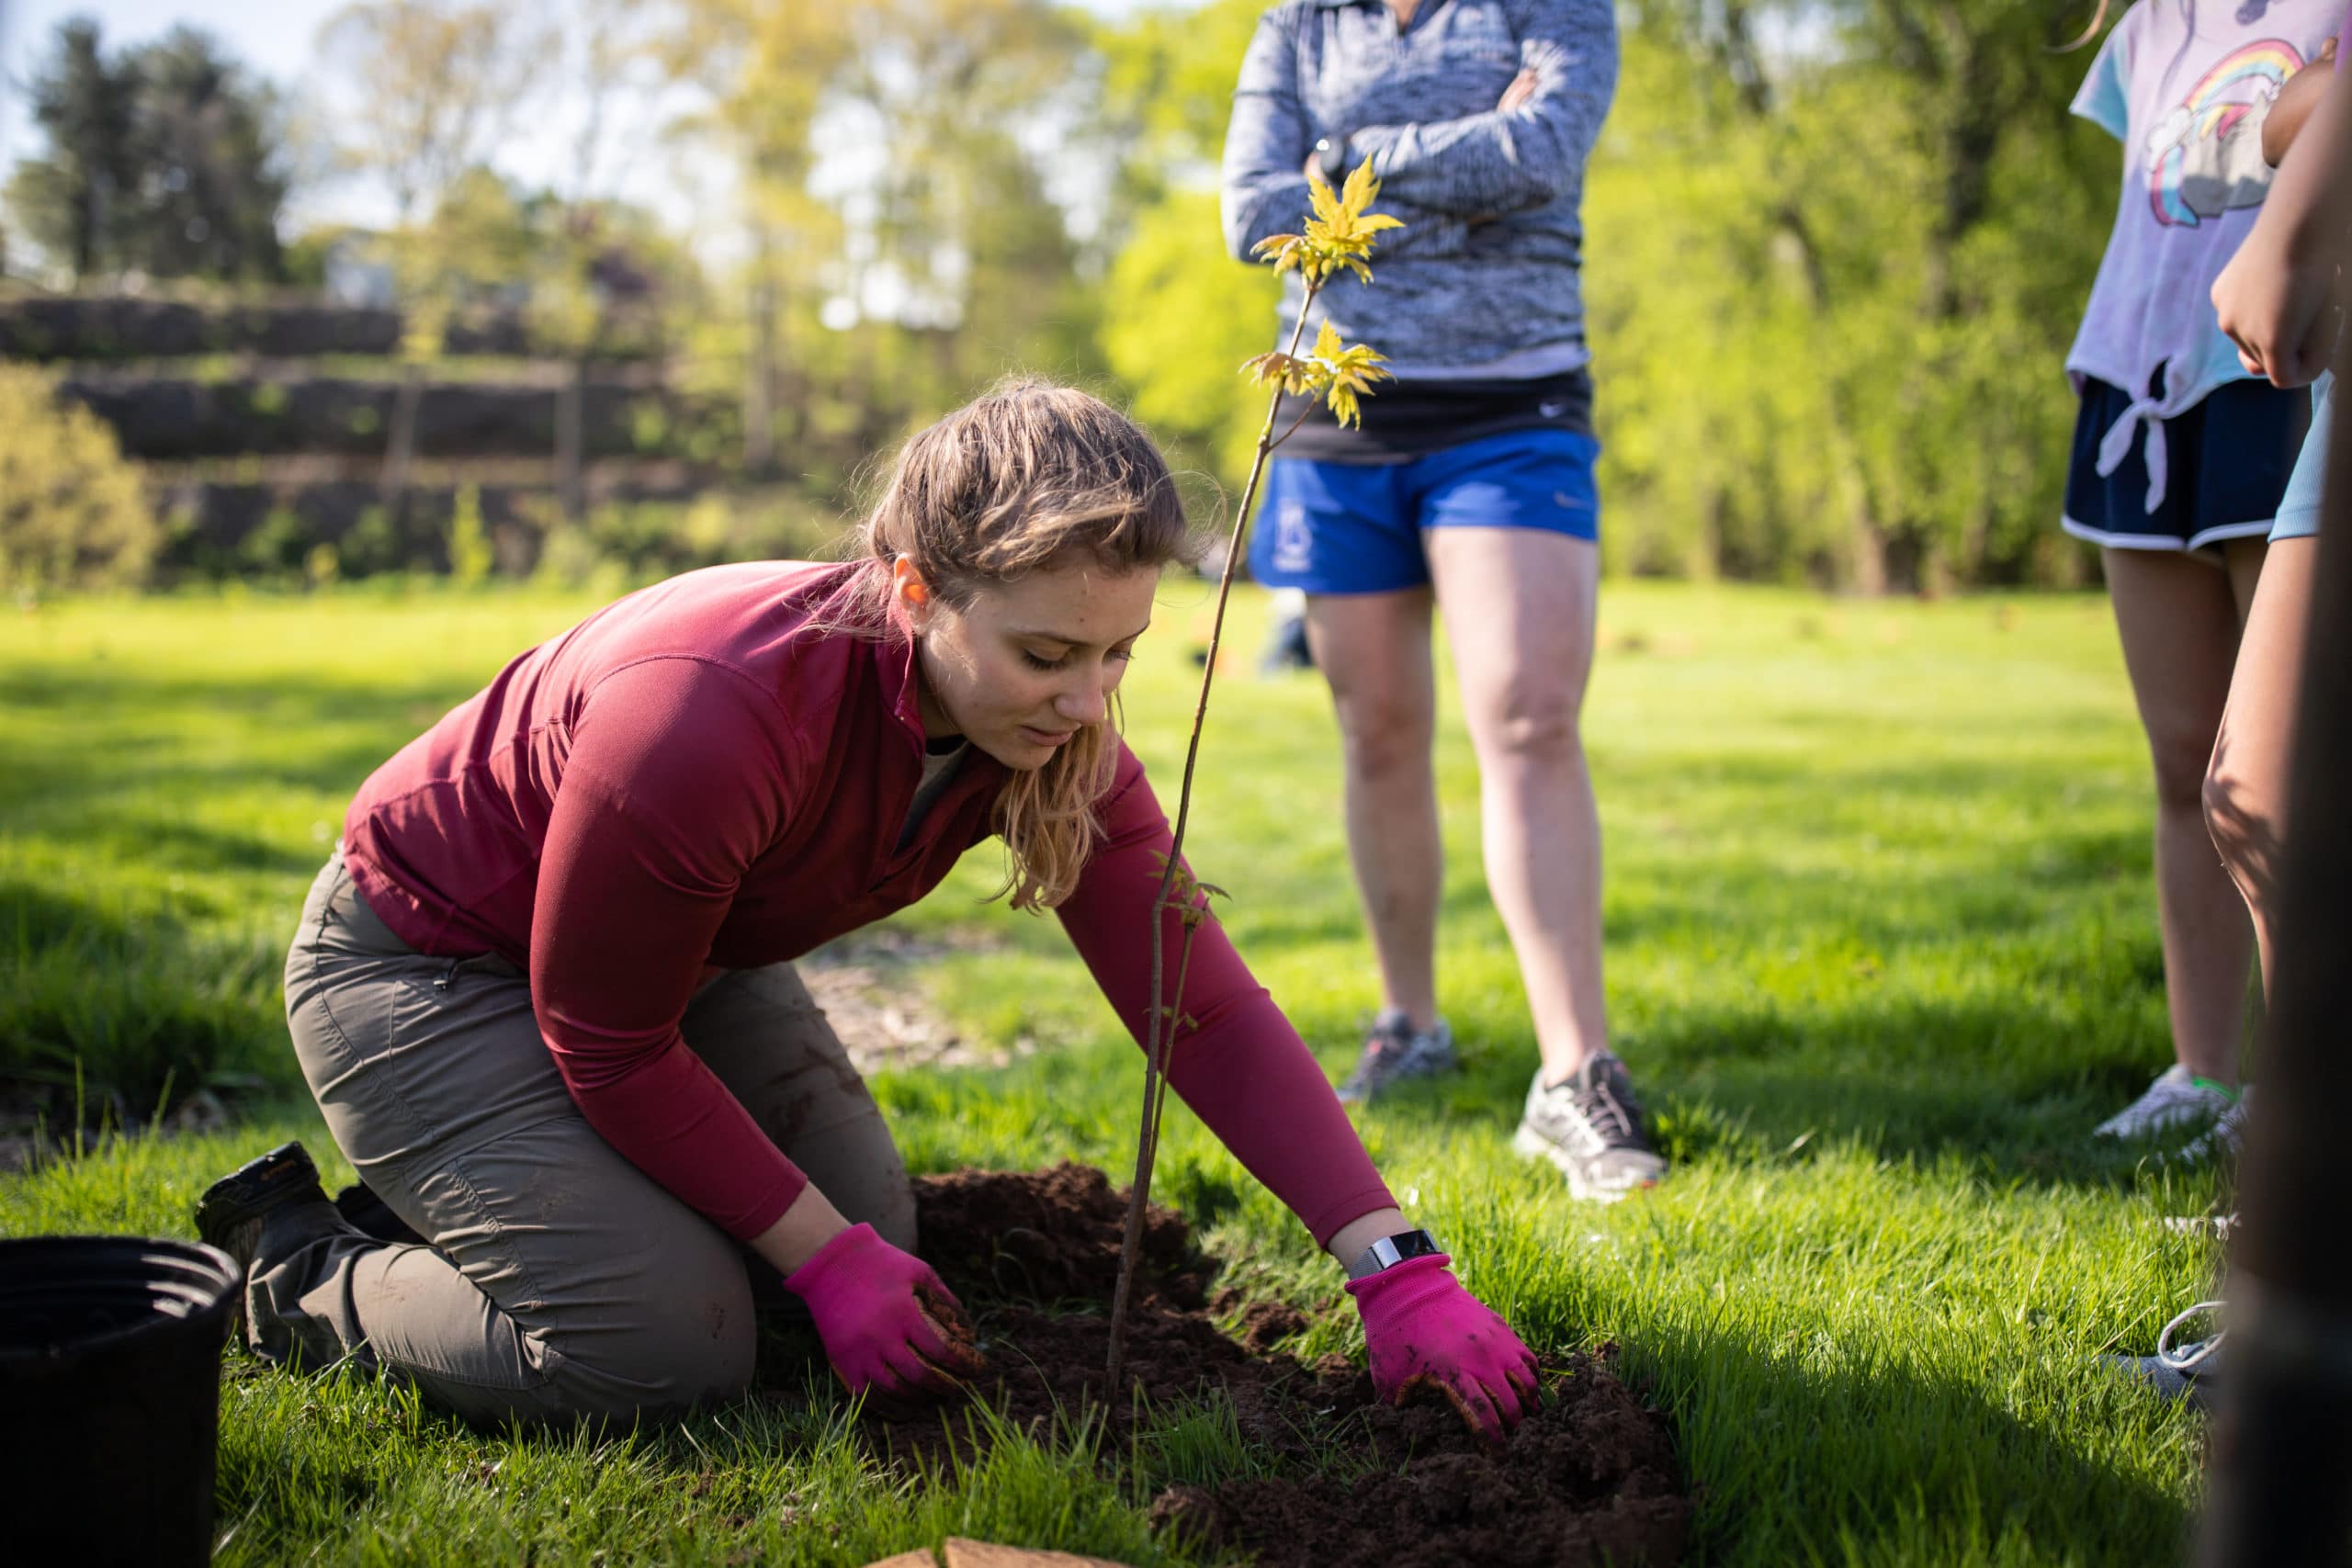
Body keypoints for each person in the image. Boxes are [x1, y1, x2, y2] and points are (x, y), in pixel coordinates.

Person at [194, 383, 1540, 1438]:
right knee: (671, 1342)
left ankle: (515, 1207)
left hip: (676, 964)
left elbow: (1195, 998)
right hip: (429, 969)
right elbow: (602, 1037)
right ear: (914, 590)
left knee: (873, 1228)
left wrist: (1391, 1259)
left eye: (1121, 651)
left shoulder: (1049, 731)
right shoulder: (709, 709)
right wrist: (815, 1264)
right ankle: (299, 1266)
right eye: (1048, 653)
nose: (1090, 701)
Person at [1219, 0, 1663, 1201]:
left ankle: (1576, 1070)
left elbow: (1543, 153)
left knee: (1528, 716)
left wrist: (1350, 161)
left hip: (1510, 411)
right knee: (1375, 729)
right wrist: (1454, 153)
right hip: (1334, 413)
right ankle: (1409, 1021)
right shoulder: (1300, 25)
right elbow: (1254, 211)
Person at [2061, 0, 2341, 1151]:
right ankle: (2201, 1073)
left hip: (2264, 389)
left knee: (2281, 768)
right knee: (2188, 764)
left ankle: (2296, 1092)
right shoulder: (2137, 35)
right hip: (2131, 384)